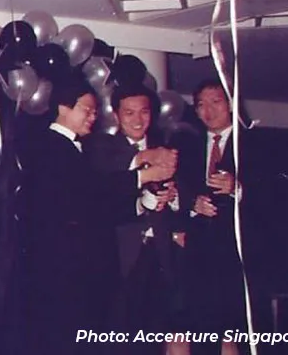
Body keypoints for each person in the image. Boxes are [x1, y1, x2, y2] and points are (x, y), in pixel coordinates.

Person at [17, 77, 113, 355]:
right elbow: (79, 200)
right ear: (63, 107)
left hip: (68, 267)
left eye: (95, 112)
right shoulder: (50, 146)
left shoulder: (73, 147)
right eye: (87, 110)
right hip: (57, 267)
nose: (93, 117)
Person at [84, 84, 182, 354]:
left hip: (160, 255)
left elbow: (184, 202)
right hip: (119, 257)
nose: (138, 120)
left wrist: (174, 198)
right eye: (129, 113)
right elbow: (102, 196)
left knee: (155, 337)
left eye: (144, 112)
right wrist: (145, 158)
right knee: (117, 338)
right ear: (116, 115)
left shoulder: (167, 149)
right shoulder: (101, 148)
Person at [177, 80, 271, 355]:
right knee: (201, 334)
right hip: (198, 258)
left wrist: (237, 188)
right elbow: (176, 194)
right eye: (201, 105)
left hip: (241, 258)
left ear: (230, 103)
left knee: (238, 336)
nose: (208, 110)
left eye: (215, 102)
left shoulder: (255, 144)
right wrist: (192, 205)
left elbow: (275, 196)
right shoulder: (186, 147)